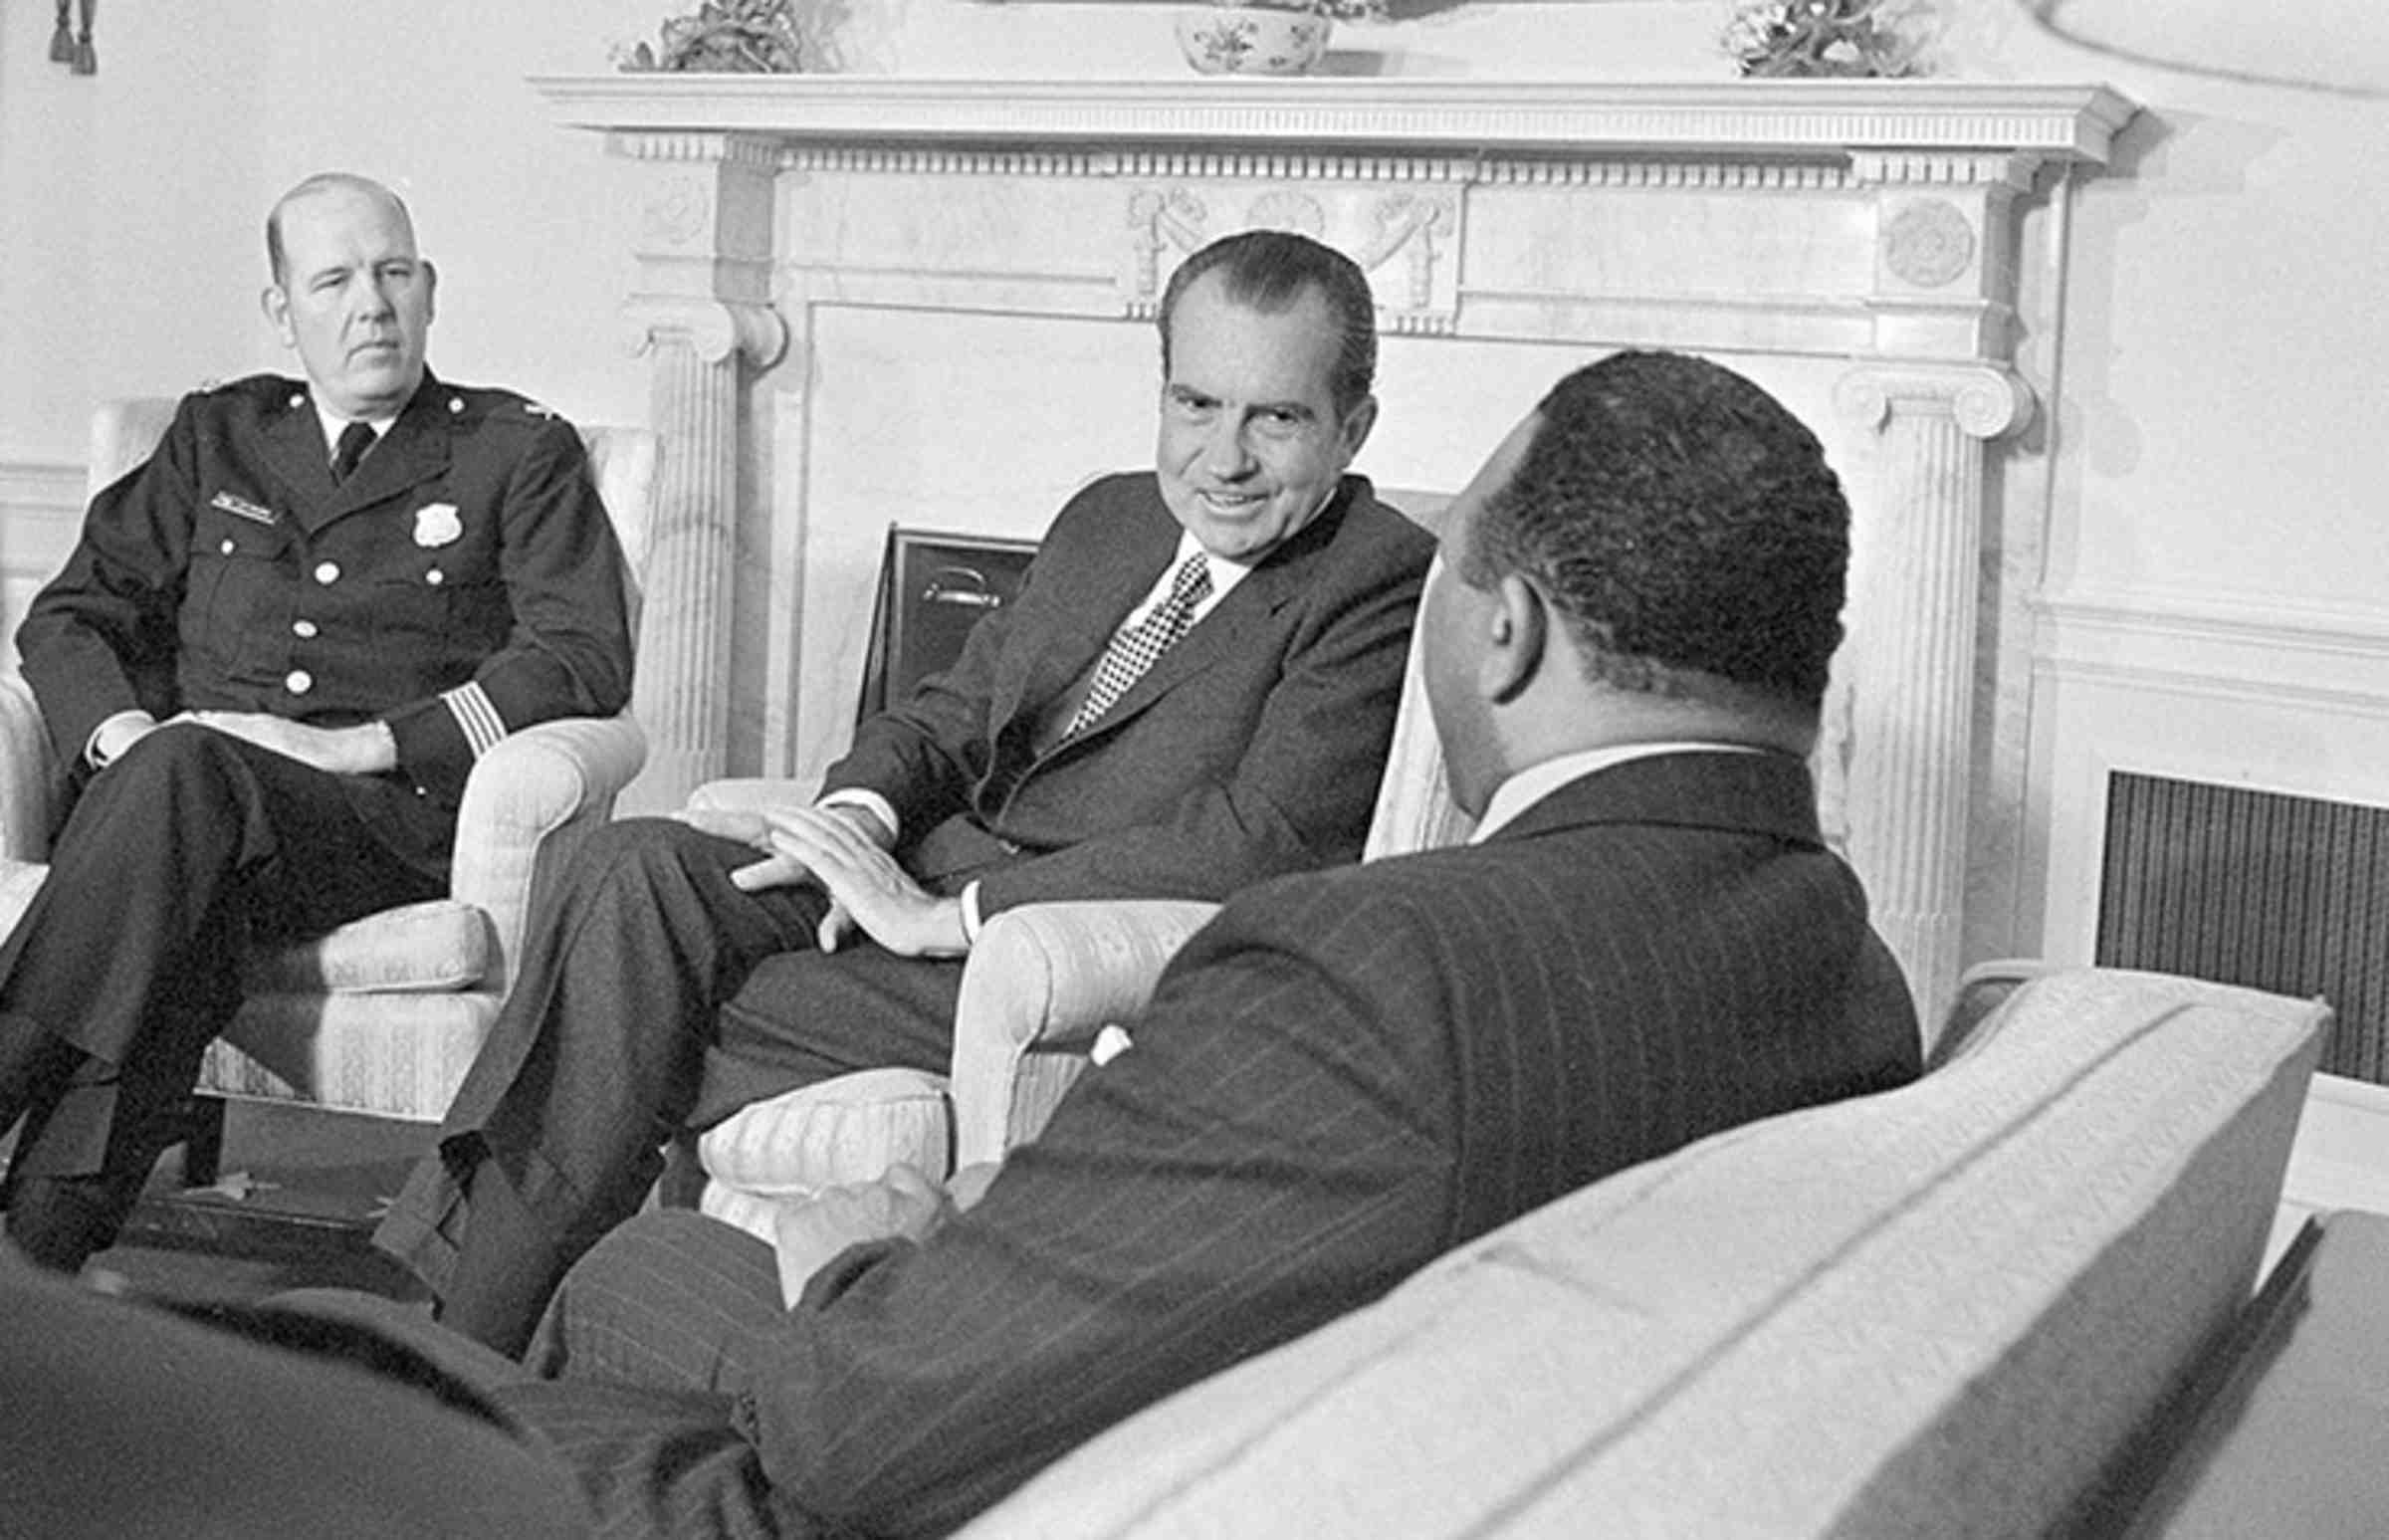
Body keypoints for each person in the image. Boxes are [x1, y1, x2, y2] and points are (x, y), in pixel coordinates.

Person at [333, 346, 1922, 1537]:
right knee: (647, 1033)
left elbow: (856, 1427)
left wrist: (856, 1253)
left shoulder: (1378, 970)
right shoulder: (1847, 968)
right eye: (1195, 400)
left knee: (413, 1394)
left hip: (970, 1466)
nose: (1226, 449)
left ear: (1502, 632)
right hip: (1279, 1416)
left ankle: (397, 1385)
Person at [374, 228, 1437, 1353]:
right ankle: (514, 1345)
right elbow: (950, 709)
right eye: (1197, 404)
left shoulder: (1375, 579)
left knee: (621, 995)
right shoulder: (1113, 518)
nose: (1224, 457)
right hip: (908, 887)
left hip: (1040, 964)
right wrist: (850, 825)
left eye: (1277, 419)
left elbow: (1256, 840)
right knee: (626, 863)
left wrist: (949, 915)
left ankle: (463, 1342)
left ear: (1353, 426)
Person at [0, 172, 636, 1273]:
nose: (372, 306)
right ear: (281, 309)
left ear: (430, 289)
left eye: (393, 273)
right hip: (181, 820)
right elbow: (71, 616)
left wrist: (368, 743)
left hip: (374, 825)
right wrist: (118, 736)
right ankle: (35, 1257)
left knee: (183, 784)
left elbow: (581, 654)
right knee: (180, 896)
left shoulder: (514, 450)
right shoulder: (220, 436)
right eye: (334, 280)